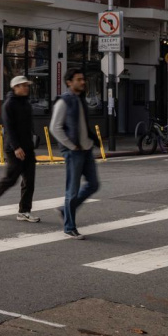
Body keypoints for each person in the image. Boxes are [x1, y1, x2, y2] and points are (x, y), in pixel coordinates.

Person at [0, 76, 40, 222]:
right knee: (11, 179)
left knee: (29, 181)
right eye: (23, 85)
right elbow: (9, 128)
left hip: (28, 147)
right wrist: (16, 147)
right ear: (15, 87)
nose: (26, 88)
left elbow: (29, 125)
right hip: (14, 149)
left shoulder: (26, 103)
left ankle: (24, 211)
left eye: (27, 85)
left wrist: (33, 138)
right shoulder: (9, 105)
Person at [49, 68, 100, 239]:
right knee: (72, 190)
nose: (82, 82)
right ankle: (69, 227)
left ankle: (64, 211)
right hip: (74, 152)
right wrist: (70, 145)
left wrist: (91, 141)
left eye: (83, 79)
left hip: (86, 149)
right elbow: (54, 128)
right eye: (78, 79)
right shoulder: (64, 101)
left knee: (93, 184)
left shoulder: (80, 99)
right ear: (69, 82)